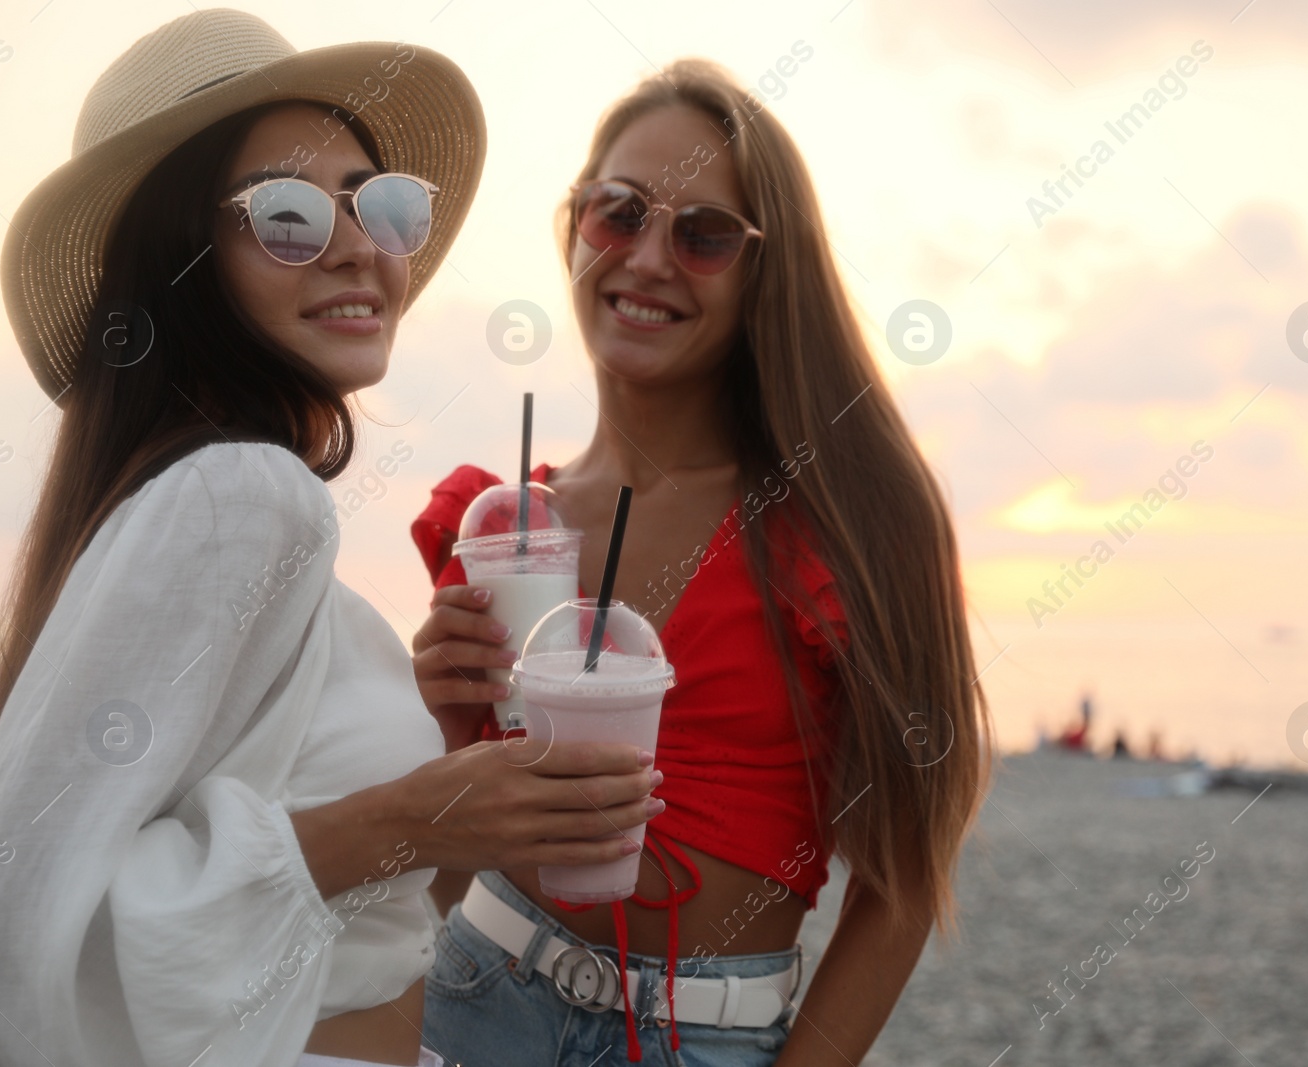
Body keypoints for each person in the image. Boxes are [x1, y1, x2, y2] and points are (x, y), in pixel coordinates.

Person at [0, 12, 657, 1067]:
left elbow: (334, 895)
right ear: (180, 259)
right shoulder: (244, 495)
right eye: (289, 214)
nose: (360, 245)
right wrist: (410, 816)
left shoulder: (173, 502)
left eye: (382, 205)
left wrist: (435, 742)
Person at [408, 59, 989, 1066]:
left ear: (768, 269)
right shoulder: (500, 524)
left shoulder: (850, 522)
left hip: (706, 1037)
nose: (648, 258)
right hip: (473, 998)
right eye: (619, 213)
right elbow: (433, 864)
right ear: (573, 227)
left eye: (705, 234)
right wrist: (437, 715)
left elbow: (900, 879)